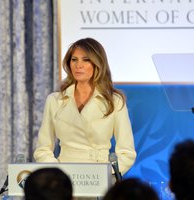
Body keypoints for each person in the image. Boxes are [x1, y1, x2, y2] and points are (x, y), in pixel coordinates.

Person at [33, 37, 136, 176]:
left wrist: (108, 172)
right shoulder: (54, 100)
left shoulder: (114, 101)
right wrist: (57, 173)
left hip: (99, 175)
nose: (78, 65)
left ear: (97, 63)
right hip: (64, 178)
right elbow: (42, 149)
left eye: (86, 60)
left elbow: (127, 152)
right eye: (74, 59)